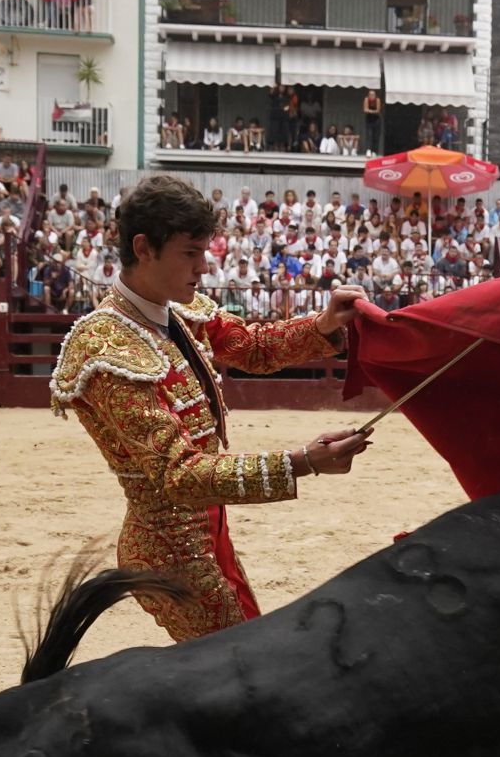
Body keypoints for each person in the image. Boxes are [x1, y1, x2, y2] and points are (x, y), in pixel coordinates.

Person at [49, 174, 374, 641]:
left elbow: (253, 347)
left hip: (205, 530)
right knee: (239, 672)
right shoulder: (105, 347)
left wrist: (324, 322)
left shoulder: (178, 308)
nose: (205, 266)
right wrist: (302, 463)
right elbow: (177, 474)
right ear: (143, 248)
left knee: (239, 664)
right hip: (170, 550)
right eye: (191, 253)